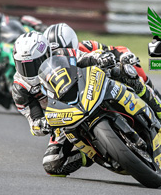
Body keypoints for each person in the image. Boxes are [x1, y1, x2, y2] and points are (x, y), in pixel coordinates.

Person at [12, 31, 120, 176]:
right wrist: (41, 125)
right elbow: (33, 121)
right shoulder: (20, 88)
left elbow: (84, 57)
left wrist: (99, 58)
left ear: (46, 54)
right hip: (62, 118)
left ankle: (154, 105)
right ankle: (88, 153)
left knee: (122, 72)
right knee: (52, 164)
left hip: (86, 91)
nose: (28, 71)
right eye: (23, 65)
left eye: (33, 64)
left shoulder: (60, 53)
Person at [43, 23, 161, 124]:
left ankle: (159, 101)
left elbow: (118, 50)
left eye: (65, 50)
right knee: (53, 159)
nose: (62, 55)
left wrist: (126, 56)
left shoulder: (88, 46)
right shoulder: (49, 69)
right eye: (55, 54)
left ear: (73, 44)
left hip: (106, 81)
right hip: (77, 100)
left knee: (129, 69)